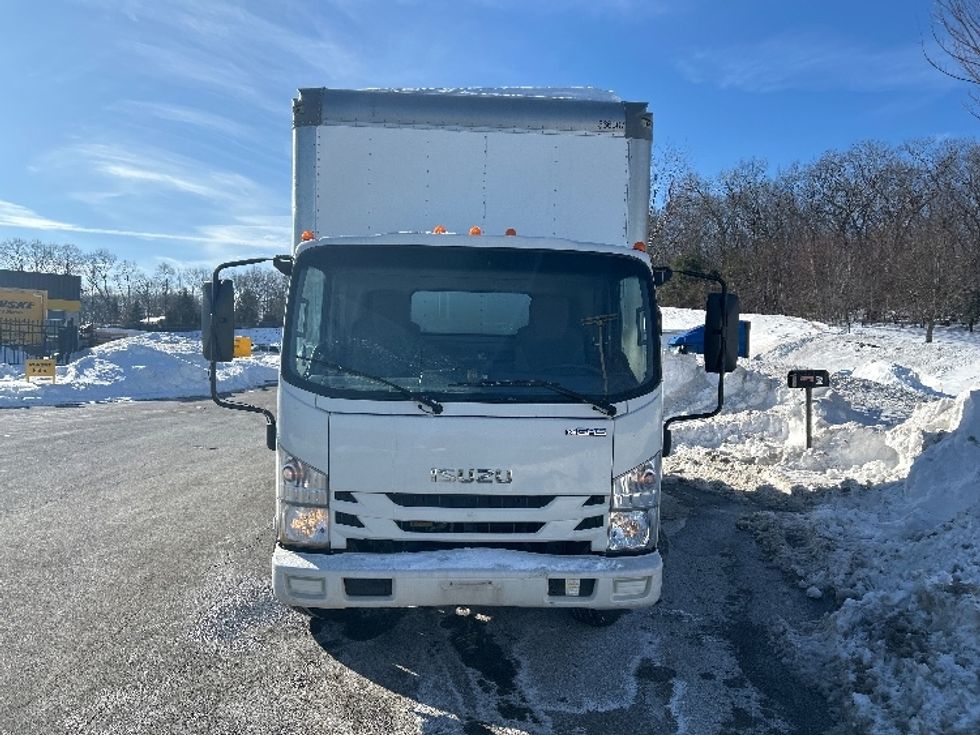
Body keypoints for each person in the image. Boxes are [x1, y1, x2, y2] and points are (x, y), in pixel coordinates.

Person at [514, 294, 585, 373]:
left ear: (567, 314)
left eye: (557, 312)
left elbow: (582, 372)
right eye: (543, 311)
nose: (550, 317)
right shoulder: (522, 339)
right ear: (533, 314)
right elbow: (517, 373)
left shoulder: (577, 341)